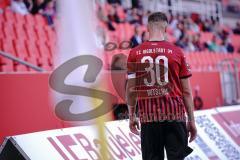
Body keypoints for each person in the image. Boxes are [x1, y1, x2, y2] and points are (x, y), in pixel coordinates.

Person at [126, 12, 197, 160]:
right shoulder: (177, 52)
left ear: (147, 28)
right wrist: (191, 120)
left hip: (148, 119)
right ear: (165, 28)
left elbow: (131, 90)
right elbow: (187, 92)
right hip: (175, 117)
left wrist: (132, 115)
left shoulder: (134, 53)